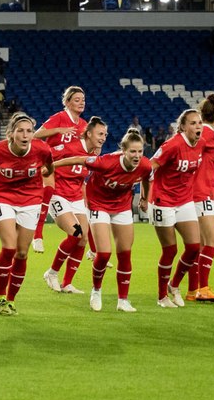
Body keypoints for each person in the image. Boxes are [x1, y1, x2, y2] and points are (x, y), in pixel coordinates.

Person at [53, 128, 152, 312]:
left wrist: (145, 198)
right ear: (124, 151)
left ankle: (123, 300)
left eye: (140, 151)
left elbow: (147, 178)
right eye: (132, 151)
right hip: (98, 204)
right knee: (104, 253)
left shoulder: (145, 165)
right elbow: (78, 159)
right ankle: (96, 291)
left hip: (122, 207)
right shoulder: (106, 162)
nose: (137, 155)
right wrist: (52, 166)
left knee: (125, 253)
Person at [0, 112, 54, 316]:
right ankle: (0, 295)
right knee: (9, 247)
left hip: (30, 200)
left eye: (29, 131)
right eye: (21, 131)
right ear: (11, 134)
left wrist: (47, 172)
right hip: (2, 196)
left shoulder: (41, 149)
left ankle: (11, 299)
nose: (26, 134)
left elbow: (49, 165)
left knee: (22, 252)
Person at [41, 116, 108, 295]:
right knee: (75, 233)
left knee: (84, 238)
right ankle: (52, 273)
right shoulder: (69, 147)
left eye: (105, 134)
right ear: (88, 133)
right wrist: (42, 176)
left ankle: (67, 283)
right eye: (100, 134)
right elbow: (46, 156)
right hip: (59, 195)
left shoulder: (94, 154)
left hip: (76, 196)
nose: (103, 137)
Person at [146, 109, 204, 308]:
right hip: (163, 201)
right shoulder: (172, 145)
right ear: (183, 127)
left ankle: (174, 285)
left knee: (194, 247)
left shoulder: (201, 144)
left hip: (184, 200)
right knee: (170, 250)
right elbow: (151, 165)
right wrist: (144, 193)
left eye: (200, 123)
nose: (198, 127)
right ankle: (162, 297)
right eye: (193, 123)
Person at [31, 86, 88, 253]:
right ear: (67, 102)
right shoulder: (59, 117)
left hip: (69, 171)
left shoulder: (84, 125)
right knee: (48, 189)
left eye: (83, 100)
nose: (81, 103)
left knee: (86, 208)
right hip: (50, 164)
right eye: (77, 100)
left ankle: (93, 249)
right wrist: (58, 130)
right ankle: (38, 235)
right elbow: (35, 135)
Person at [187, 94, 214, 303]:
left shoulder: (208, 133)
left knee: (198, 245)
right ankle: (203, 288)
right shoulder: (207, 133)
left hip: (198, 193)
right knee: (212, 242)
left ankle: (193, 290)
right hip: (201, 194)